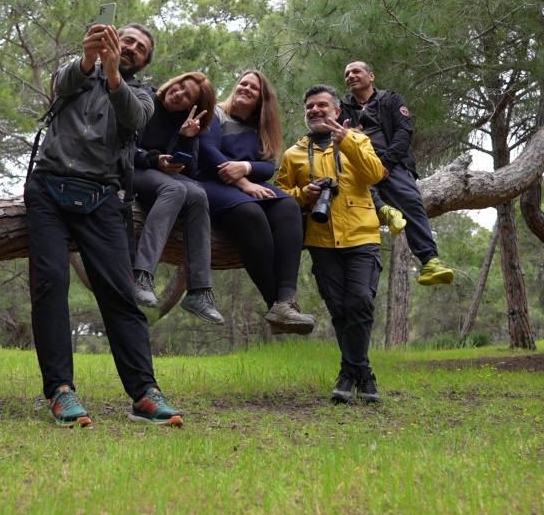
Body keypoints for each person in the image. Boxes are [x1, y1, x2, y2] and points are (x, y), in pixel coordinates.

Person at [24, 21, 182, 427]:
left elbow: (135, 119)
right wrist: (90, 57)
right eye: (126, 40)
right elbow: (62, 84)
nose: (130, 48)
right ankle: (61, 391)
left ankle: (145, 393)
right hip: (48, 190)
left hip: (104, 198)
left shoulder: (144, 96)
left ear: (144, 61)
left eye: (140, 48)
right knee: (50, 284)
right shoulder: (77, 71)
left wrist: (113, 74)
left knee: (120, 295)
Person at [276, 85, 389, 403]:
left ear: (337, 111)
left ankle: (349, 373)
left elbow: (375, 175)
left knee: (361, 301)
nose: (315, 110)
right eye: (310, 106)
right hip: (320, 240)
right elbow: (279, 195)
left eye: (322, 105)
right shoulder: (293, 154)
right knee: (340, 310)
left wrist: (349, 142)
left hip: (361, 235)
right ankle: (362, 375)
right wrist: (303, 194)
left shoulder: (359, 140)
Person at [197, 69, 315, 335]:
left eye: (253, 88)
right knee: (250, 212)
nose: (245, 89)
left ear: (262, 100)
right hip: (208, 181)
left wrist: (246, 168)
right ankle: (275, 305)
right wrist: (244, 183)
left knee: (287, 206)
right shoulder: (215, 113)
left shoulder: (261, 127)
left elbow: (267, 166)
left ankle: (286, 301)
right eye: (243, 83)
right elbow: (207, 151)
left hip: (246, 183)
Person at [339, 60, 456, 286]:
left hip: (393, 165)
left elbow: (404, 131)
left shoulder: (391, 100)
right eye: (347, 74)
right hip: (357, 166)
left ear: (371, 76)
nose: (351, 76)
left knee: (412, 201)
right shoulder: (343, 108)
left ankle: (430, 261)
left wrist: (385, 164)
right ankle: (385, 209)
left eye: (356, 71)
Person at [130, 71, 225, 325]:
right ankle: (141, 275)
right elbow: (121, 145)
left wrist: (185, 137)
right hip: (131, 169)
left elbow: (190, 171)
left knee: (197, 193)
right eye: (180, 86)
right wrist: (152, 159)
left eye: (187, 96)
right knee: (177, 190)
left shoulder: (187, 121)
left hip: (161, 177)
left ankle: (199, 291)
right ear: (173, 81)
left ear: (193, 106)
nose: (179, 93)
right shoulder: (144, 98)